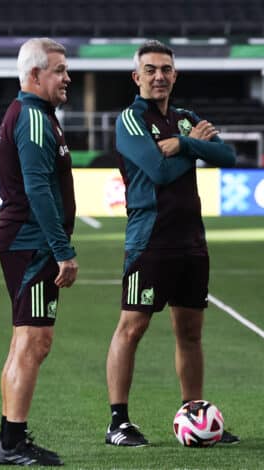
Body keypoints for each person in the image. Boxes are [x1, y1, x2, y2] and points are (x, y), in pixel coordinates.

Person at [104, 39, 238, 447]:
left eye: (165, 69)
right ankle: (118, 423)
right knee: (132, 327)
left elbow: (228, 156)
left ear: (174, 75)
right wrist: (197, 147)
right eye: (150, 70)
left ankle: (194, 411)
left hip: (191, 241)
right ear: (136, 76)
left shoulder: (184, 120)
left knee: (191, 332)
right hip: (150, 240)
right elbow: (159, 173)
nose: (159, 76)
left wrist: (186, 143)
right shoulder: (130, 120)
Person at [0, 37, 77, 466]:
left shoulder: (36, 115)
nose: (68, 77)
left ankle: (9, 435)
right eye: (59, 70)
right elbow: (39, 190)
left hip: (24, 242)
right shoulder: (34, 118)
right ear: (34, 75)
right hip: (34, 246)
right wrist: (62, 251)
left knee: (24, 341)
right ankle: (13, 443)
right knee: (34, 342)